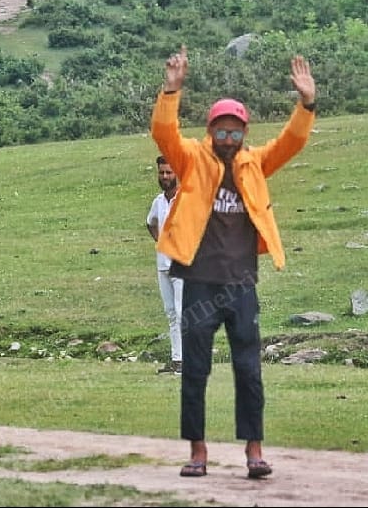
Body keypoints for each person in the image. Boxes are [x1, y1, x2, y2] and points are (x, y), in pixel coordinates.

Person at [152, 45, 317, 480]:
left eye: (235, 133)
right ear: (210, 132)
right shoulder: (192, 160)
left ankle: (254, 452)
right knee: (196, 371)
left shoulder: (255, 164)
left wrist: (307, 103)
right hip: (200, 284)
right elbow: (164, 134)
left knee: (249, 370)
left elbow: (292, 141)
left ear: (244, 133)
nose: (228, 140)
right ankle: (198, 451)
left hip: (241, 285)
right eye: (221, 132)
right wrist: (171, 91)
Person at [146, 155, 183, 375]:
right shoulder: (158, 201)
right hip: (163, 265)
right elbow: (150, 223)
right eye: (162, 172)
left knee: (182, 312)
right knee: (170, 312)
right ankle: (177, 360)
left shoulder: (187, 199)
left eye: (169, 172)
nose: (165, 176)